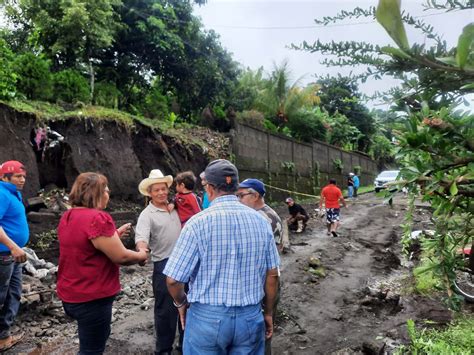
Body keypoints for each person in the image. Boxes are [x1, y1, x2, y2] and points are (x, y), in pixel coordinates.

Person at [163, 159, 280, 354]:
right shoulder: (260, 222)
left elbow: (173, 280)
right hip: (250, 317)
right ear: (235, 186)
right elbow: (273, 274)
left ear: (209, 188)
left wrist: (181, 304)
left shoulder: (197, 223)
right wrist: (268, 312)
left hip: (206, 319)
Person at [57, 172, 147, 355]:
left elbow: (85, 245)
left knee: (89, 343)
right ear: (96, 193)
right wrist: (141, 255)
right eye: (106, 190)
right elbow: (121, 257)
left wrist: (113, 236)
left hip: (70, 294)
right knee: (92, 350)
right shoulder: (98, 218)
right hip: (92, 298)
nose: (109, 193)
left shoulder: (68, 215)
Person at [135, 169, 183, 355]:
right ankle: (163, 350)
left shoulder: (176, 207)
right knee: (165, 311)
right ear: (150, 193)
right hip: (164, 265)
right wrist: (141, 250)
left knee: (187, 304)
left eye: (164, 189)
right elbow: (141, 237)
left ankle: (185, 346)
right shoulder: (147, 214)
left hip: (185, 262)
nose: (161, 193)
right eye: (157, 190)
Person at [237, 178, 283, 355]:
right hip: (261, 281)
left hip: (265, 282)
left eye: (241, 195)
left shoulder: (264, 219)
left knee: (262, 331)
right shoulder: (259, 215)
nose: (238, 200)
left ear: (255, 195)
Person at [0, 161, 29, 352]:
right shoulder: (1, 193)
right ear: (4, 177)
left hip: (12, 255)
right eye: (18, 176)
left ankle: (3, 337)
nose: (22, 180)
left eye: (23, 176)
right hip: (4, 255)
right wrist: (12, 246)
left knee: (13, 294)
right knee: (1, 295)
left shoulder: (12, 193)